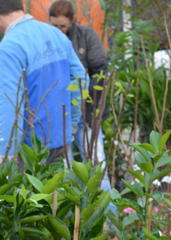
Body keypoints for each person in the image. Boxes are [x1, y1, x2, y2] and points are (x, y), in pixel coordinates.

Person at [0, 0, 87, 164]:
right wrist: (72, 124)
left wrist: (8, 154)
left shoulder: (10, 46)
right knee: (59, 187)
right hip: (60, 136)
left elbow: (11, 102)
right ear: (22, 8)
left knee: (31, 189)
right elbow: (81, 78)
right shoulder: (56, 34)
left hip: (30, 148)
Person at [48, 0, 111, 188]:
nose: (59, 31)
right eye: (54, 26)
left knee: (96, 165)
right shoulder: (47, 40)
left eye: (63, 26)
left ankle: (108, 214)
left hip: (87, 112)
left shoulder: (87, 36)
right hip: (61, 115)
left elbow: (99, 72)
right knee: (63, 169)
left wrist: (89, 107)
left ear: (72, 21)